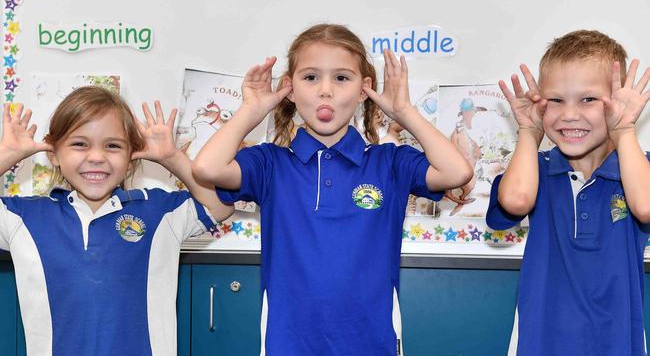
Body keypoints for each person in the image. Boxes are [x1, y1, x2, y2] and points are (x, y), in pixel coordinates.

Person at [193, 23, 471, 355]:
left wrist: (404, 112)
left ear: (363, 88)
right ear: (290, 89)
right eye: (311, 77)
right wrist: (251, 111)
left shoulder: (388, 163)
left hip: (372, 343)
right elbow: (206, 168)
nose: (326, 91)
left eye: (341, 78)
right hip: (289, 344)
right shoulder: (271, 164)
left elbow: (457, 171)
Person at [0, 86, 233, 356]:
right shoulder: (23, 218)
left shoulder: (159, 211)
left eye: (113, 145)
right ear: (54, 154)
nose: (97, 157)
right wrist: (7, 156)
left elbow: (219, 206)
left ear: (131, 159)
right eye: (79, 144)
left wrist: (172, 157)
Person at [488, 30, 650, 355]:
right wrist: (528, 132)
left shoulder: (637, 169)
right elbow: (516, 201)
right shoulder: (536, 169)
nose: (569, 114)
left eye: (588, 99)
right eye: (556, 101)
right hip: (539, 341)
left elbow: (645, 207)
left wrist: (624, 131)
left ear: (617, 101)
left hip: (619, 343)